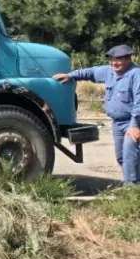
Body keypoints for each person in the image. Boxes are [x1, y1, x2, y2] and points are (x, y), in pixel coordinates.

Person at [54, 44, 140, 184]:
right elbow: (90, 72)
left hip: (132, 122)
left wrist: (135, 125)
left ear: (128, 59)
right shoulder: (109, 71)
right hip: (117, 123)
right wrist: (71, 76)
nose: (114, 63)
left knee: (130, 155)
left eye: (118, 59)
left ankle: (131, 187)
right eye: (112, 59)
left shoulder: (136, 75)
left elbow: (139, 101)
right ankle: (135, 183)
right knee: (121, 157)